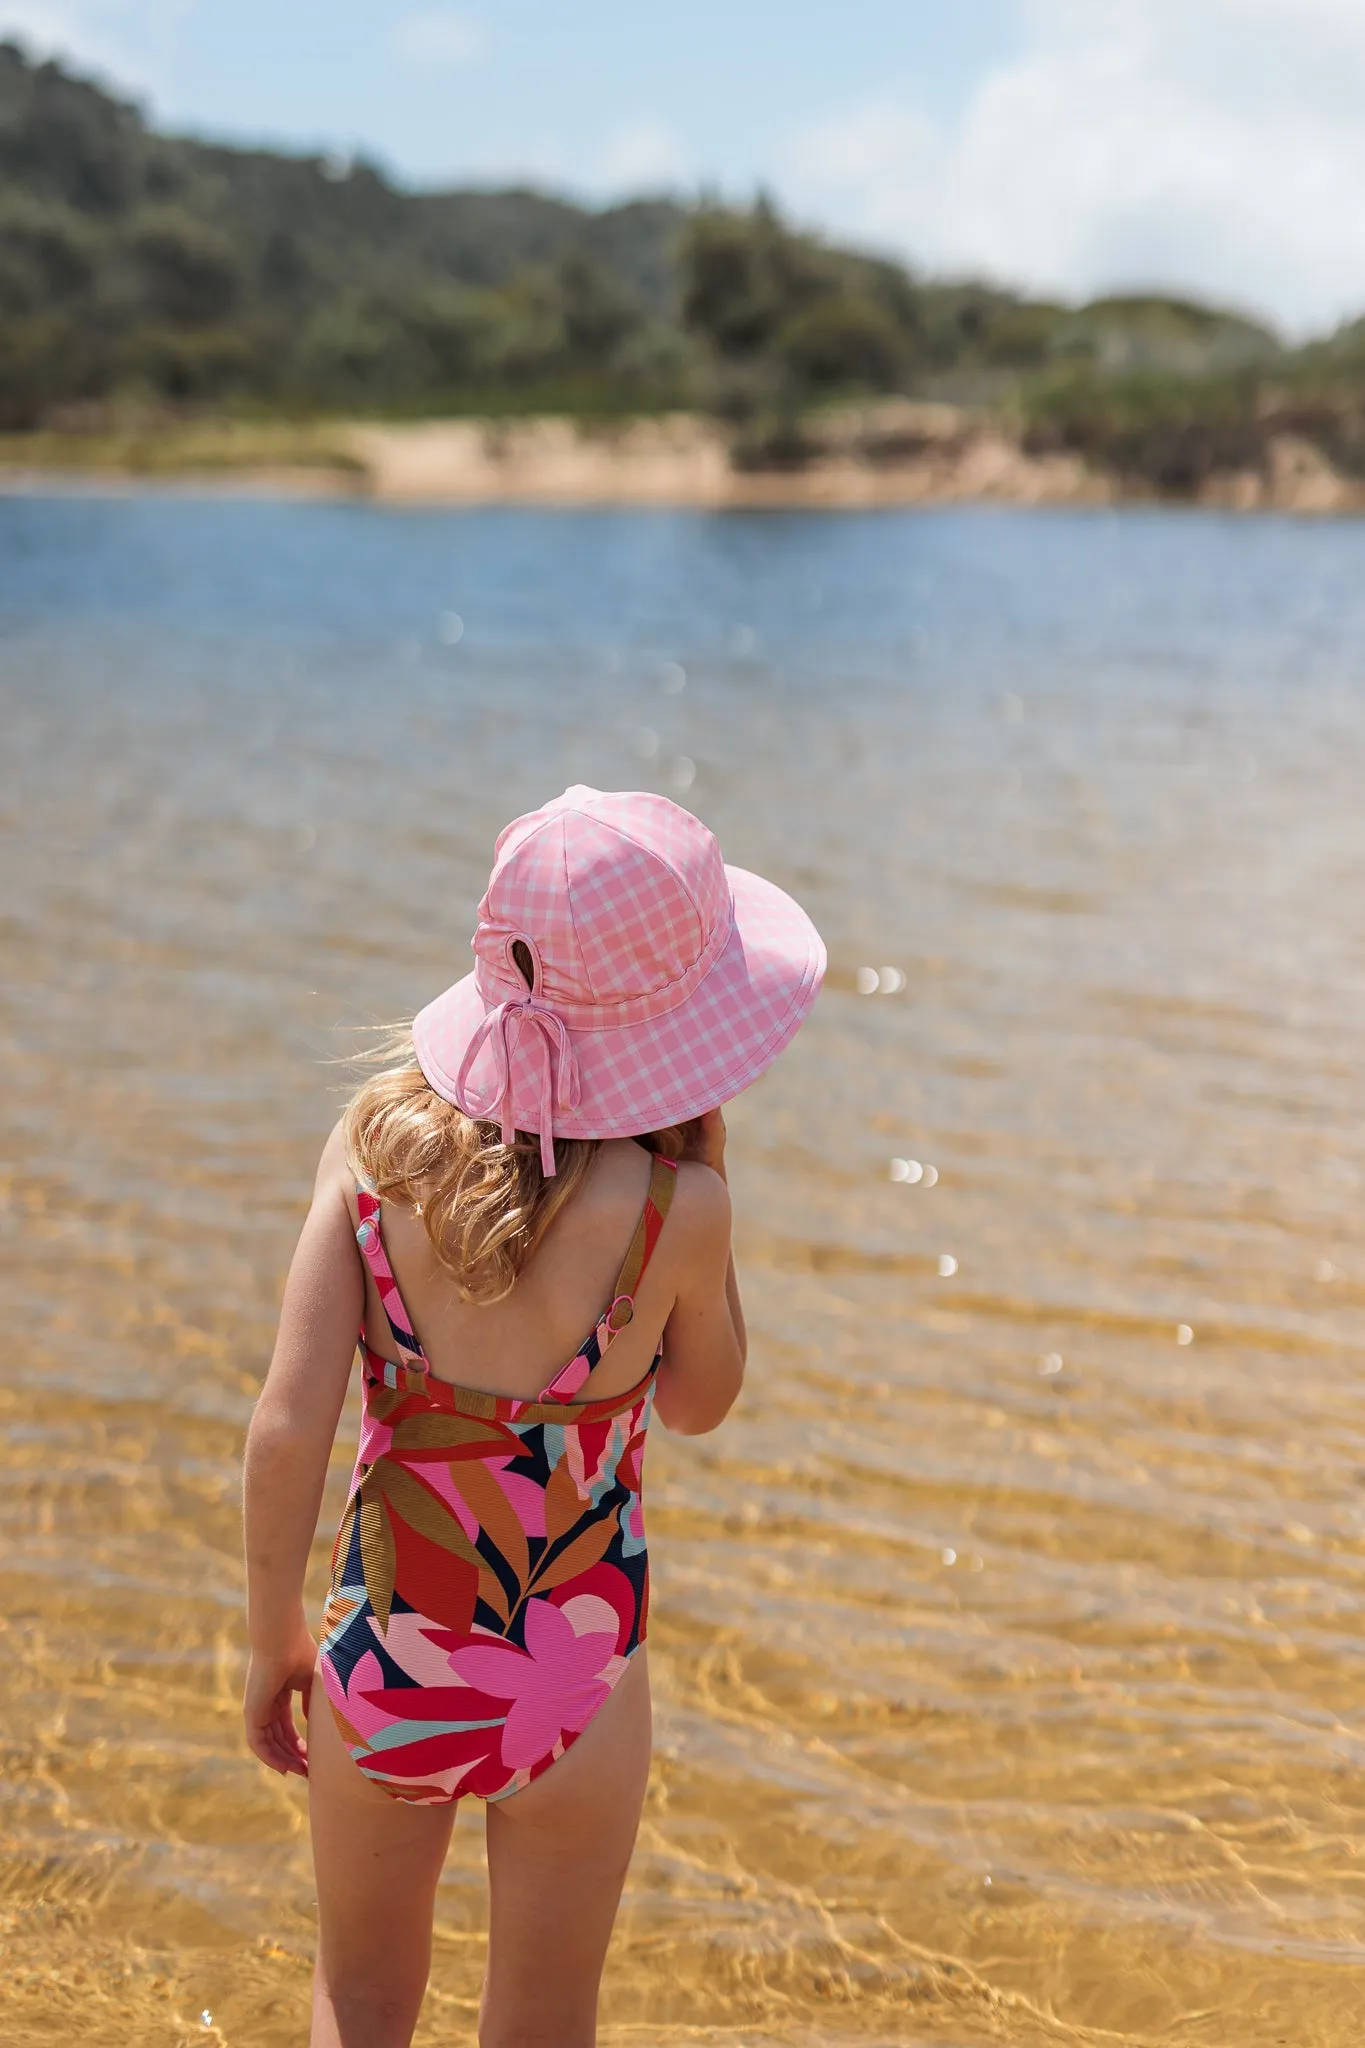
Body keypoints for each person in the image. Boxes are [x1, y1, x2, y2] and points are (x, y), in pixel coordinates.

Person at [241, 784, 825, 2048]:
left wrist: (267, 1633)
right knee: (548, 2019)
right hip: (576, 1673)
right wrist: (707, 1186)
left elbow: (287, 1423)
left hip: (388, 1653)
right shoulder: (676, 1207)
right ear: (689, 1035)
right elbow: (702, 1401)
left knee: (360, 1996)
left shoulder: (374, 1146)